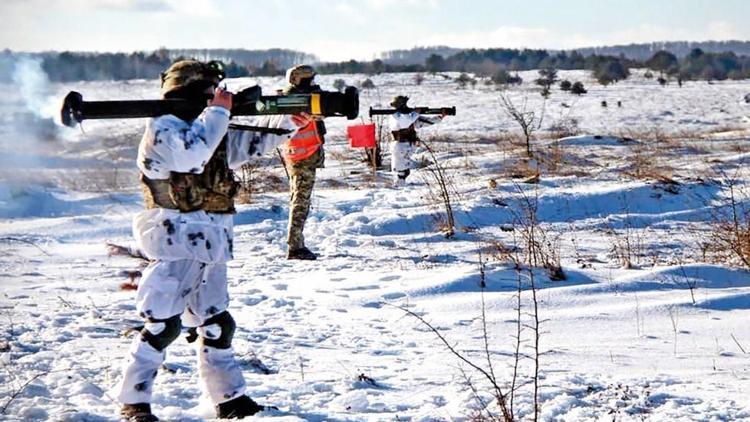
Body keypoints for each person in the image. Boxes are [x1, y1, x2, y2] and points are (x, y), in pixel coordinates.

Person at [114, 59, 311, 421]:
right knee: (163, 325)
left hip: (212, 240)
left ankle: (229, 399)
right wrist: (219, 113)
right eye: (207, 93)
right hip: (175, 239)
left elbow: (248, 144)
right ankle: (133, 400)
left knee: (218, 323)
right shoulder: (164, 128)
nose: (215, 99)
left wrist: (287, 123)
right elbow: (193, 155)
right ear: (184, 92)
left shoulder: (207, 126)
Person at [280, 64, 326, 260]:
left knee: (299, 200)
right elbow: (320, 113)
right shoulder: (298, 100)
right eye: (310, 80)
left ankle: (296, 243)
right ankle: (295, 246)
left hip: (300, 154)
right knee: (300, 202)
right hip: (302, 156)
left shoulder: (292, 97)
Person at [388, 95, 445, 187]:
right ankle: (399, 189)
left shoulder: (408, 116)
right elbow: (405, 122)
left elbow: (424, 122)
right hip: (400, 146)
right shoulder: (396, 116)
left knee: (404, 170)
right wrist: (416, 113)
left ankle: (400, 187)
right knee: (401, 171)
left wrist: (440, 117)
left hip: (406, 145)